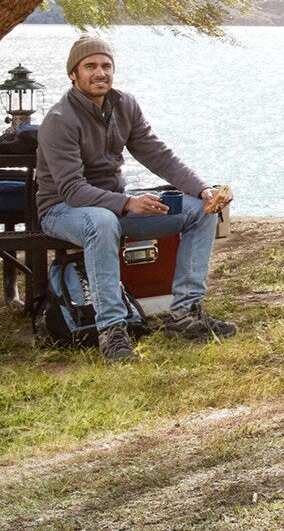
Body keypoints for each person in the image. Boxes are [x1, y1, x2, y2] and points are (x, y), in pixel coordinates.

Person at [37, 36, 229, 362]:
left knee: (200, 210)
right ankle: (113, 332)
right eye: (90, 66)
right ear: (73, 74)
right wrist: (126, 204)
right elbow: (72, 189)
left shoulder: (125, 105)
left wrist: (202, 189)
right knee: (102, 220)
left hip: (115, 202)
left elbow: (158, 155)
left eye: (106, 66)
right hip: (63, 209)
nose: (100, 72)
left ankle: (185, 315)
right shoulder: (59, 121)